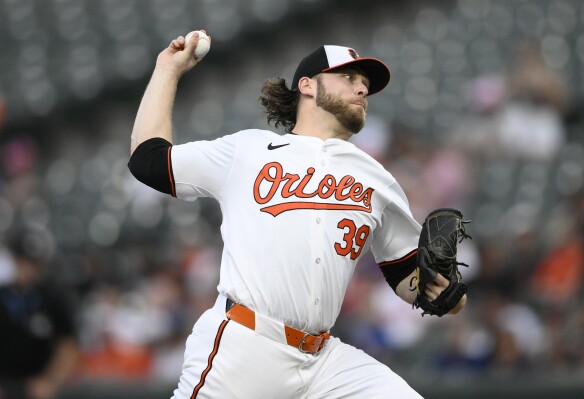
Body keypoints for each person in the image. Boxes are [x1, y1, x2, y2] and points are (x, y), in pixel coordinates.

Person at [128, 31, 467, 399]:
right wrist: (167, 70)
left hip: (323, 362)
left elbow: (407, 276)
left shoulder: (377, 178)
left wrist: (447, 295)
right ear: (307, 85)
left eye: (366, 84)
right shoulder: (249, 150)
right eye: (349, 78)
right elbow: (148, 160)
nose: (362, 90)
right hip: (246, 346)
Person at [0, 226, 79, 399]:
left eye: (33, 263)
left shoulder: (53, 296)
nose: (27, 268)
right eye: (22, 261)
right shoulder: (3, 293)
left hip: (36, 386)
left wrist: (50, 381)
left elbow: (68, 345)